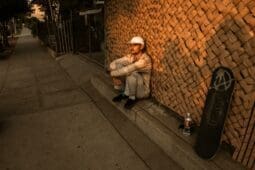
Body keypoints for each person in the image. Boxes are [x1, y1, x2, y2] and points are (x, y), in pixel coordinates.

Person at [109, 36, 152, 109]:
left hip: (142, 91)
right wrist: (114, 76)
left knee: (131, 72)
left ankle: (132, 98)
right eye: (131, 45)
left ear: (141, 47)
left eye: (135, 45)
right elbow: (114, 63)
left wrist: (112, 74)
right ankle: (126, 93)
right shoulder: (131, 57)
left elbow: (128, 69)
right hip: (133, 84)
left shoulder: (145, 59)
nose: (132, 47)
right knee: (119, 64)